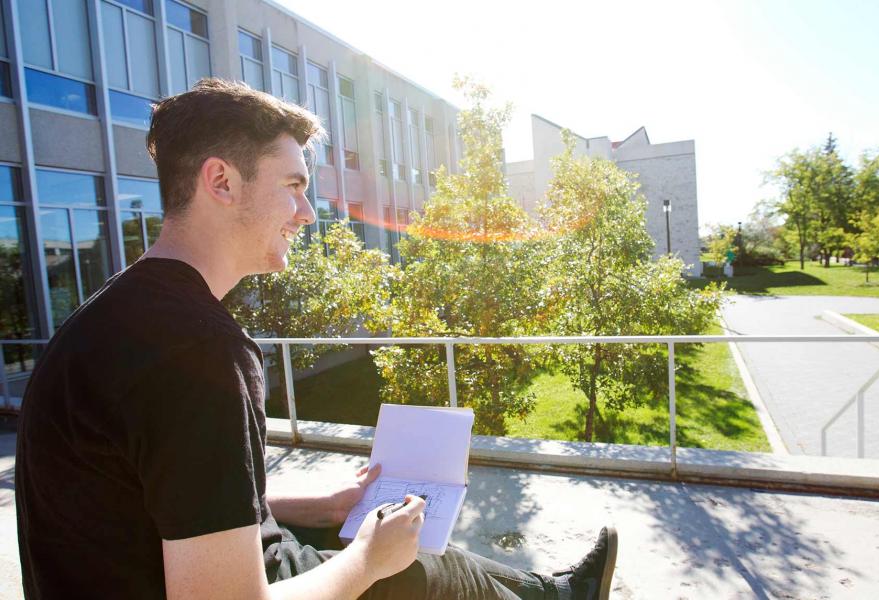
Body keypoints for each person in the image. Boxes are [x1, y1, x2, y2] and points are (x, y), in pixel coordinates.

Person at [15, 78, 617, 600]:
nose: (307, 212)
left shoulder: (109, 319)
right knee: (423, 569)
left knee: (391, 538)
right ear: (221, 181)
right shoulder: (196, 351)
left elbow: (155, 512)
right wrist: (367, 561)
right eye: (293, 185)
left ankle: (560, 593)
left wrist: (319, 507)